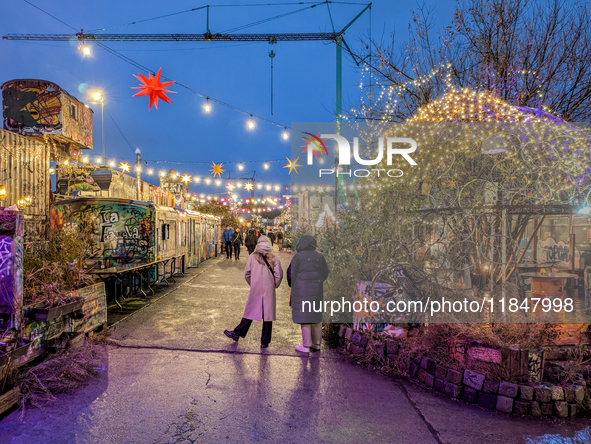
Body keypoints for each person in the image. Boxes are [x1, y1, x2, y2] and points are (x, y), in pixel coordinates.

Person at [224, 236, 283, 348]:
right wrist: (273, 285)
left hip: (255, 288)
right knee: (268, 316)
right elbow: (279, 275)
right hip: (268, 289)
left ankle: (237, 333)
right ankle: (264, 342)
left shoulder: (252, 257)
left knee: (250, 311)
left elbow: (247, 273)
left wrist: (253, 283)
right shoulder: (274, 257)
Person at [287, 235, 329, 353]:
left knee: (305, 317)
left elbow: (291, 274)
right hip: (317, 290)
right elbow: (325, 272)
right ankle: (317, 344)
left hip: (301, 290)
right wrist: (317, 281)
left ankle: (306, 345)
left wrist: (293, 284)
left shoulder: (298, 257)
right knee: (315, 317)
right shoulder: (319, 257)